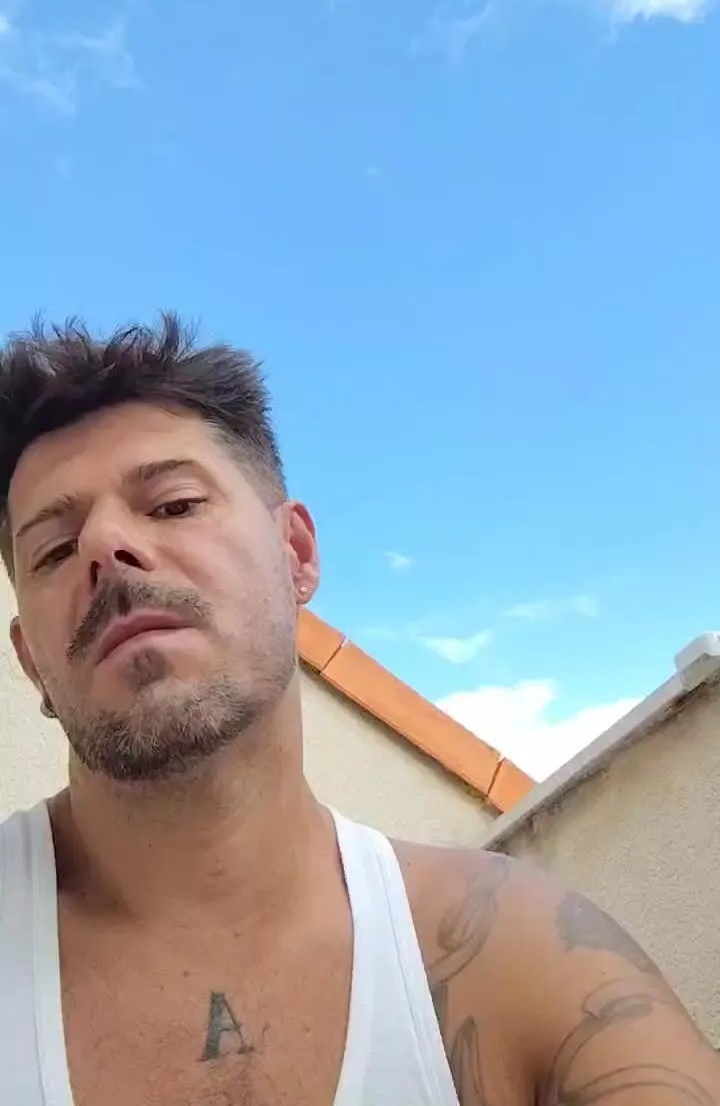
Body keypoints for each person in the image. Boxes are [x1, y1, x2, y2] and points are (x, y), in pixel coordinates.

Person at [0, 314, 716, 1106]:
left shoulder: (510, 954)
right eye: (54, 550)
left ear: (296, 554)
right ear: (31, 661)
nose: (104, 545)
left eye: (173, 505)